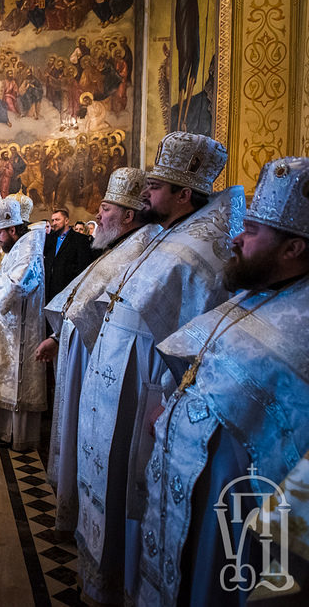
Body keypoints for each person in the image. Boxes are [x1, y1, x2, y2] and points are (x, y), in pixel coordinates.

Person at [74, 132, 244, 603]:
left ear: (184, 194)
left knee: (130, 484)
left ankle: (124, 583)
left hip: (147, 386)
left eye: (156, 187)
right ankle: (103, 574)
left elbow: (200, 336)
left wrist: (173, 398)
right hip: (118, 377)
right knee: (106, 478)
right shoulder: (159, 234)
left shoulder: (204, 251)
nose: (146, 194)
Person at [137, 156, 309, 605]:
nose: (235, 237)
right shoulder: (260, 293)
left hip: (233, 509)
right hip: (192, 494)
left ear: (293, 249)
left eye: (251, 231)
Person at [35, 168, 158, 537]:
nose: (98, 216)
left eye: (105, 209)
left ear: (128, 216)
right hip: (85, 362)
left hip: (105, 369)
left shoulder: (139, 252)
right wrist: (59, 338)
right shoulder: (114, 249)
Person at [0, 197, 47, 450]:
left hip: (19, 332)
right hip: (7, 329)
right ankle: (1, 431)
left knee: (14, 381)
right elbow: (4, 273)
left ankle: (17, 435)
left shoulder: (30, 247)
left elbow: (16, 286)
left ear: (13, 229)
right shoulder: (18, 246)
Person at [43, 208, 94, 302]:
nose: (54, 223)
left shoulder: (80, 239)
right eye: (53, 220)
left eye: (57, 220)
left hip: (66, 290)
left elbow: (82, 267)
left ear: (66, 220)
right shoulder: (49, 239)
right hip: (47, 290)